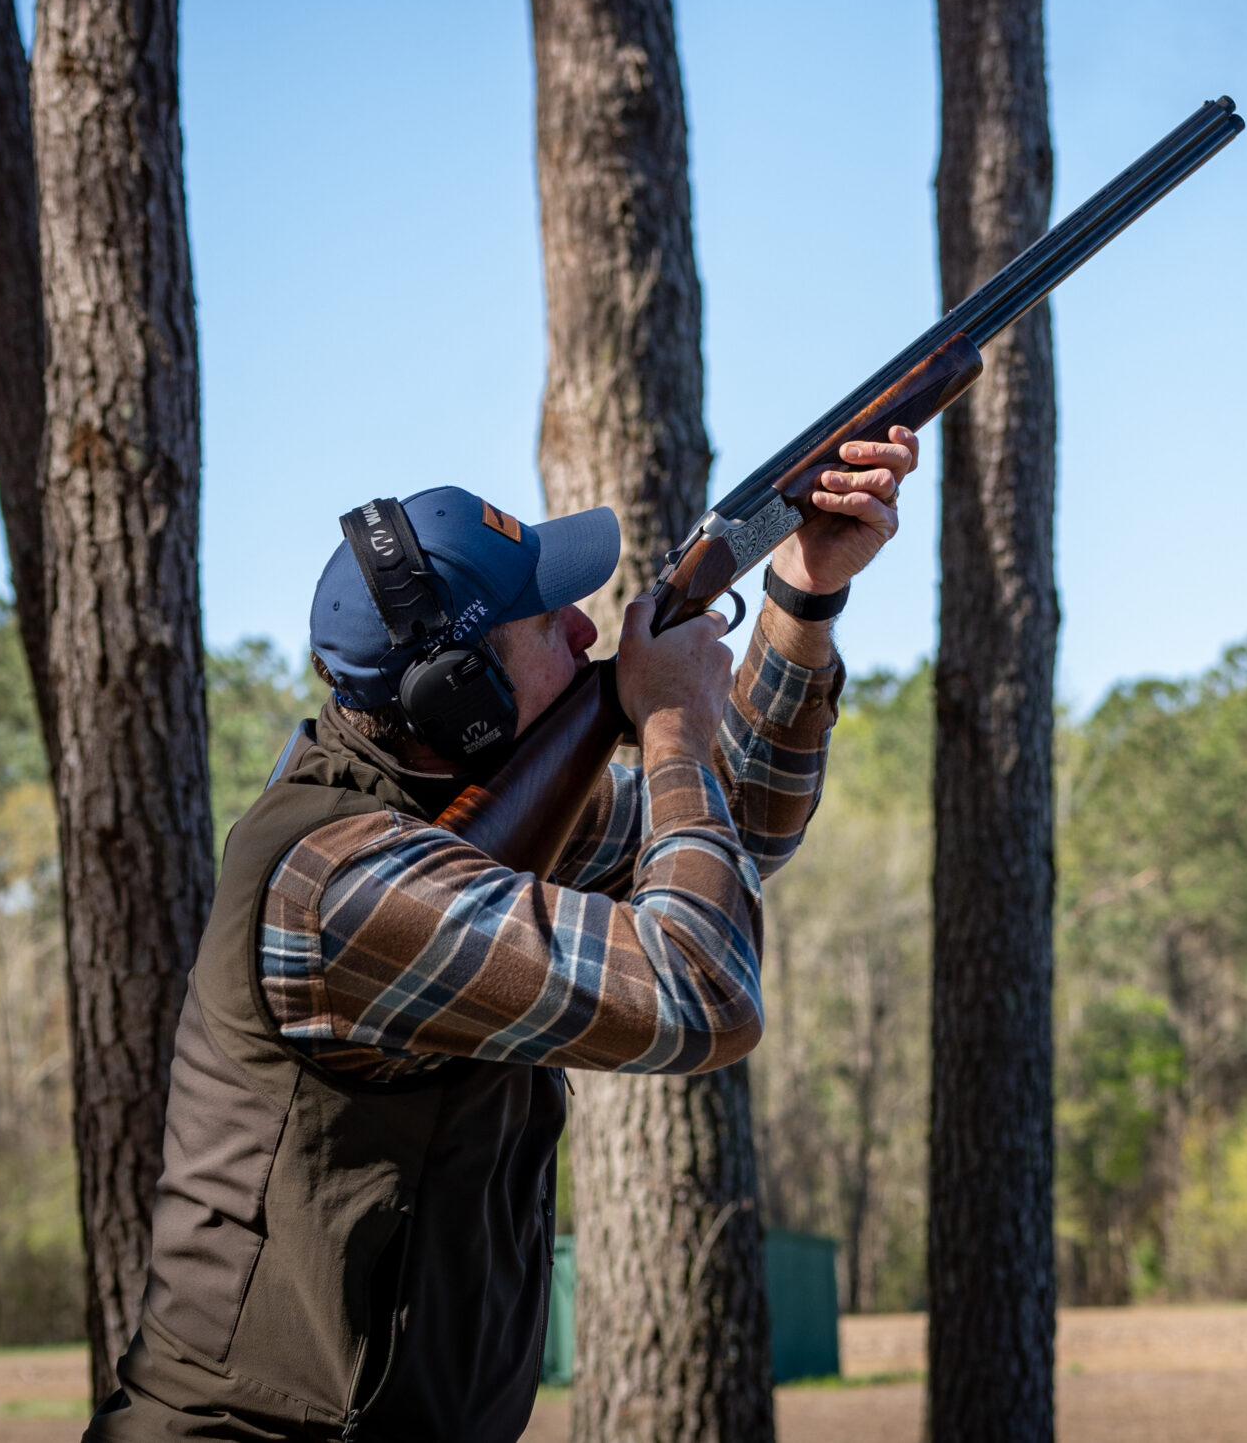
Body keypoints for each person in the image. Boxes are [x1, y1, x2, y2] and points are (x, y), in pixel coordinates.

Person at [87, 429, 918, 1442]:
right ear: (457, 694)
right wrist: (667, 729)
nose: (583, 628)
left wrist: (800, 593)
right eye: (543, 619)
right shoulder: (339, 885)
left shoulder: (441, 808)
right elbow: (703, 992)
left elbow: (730, 835)